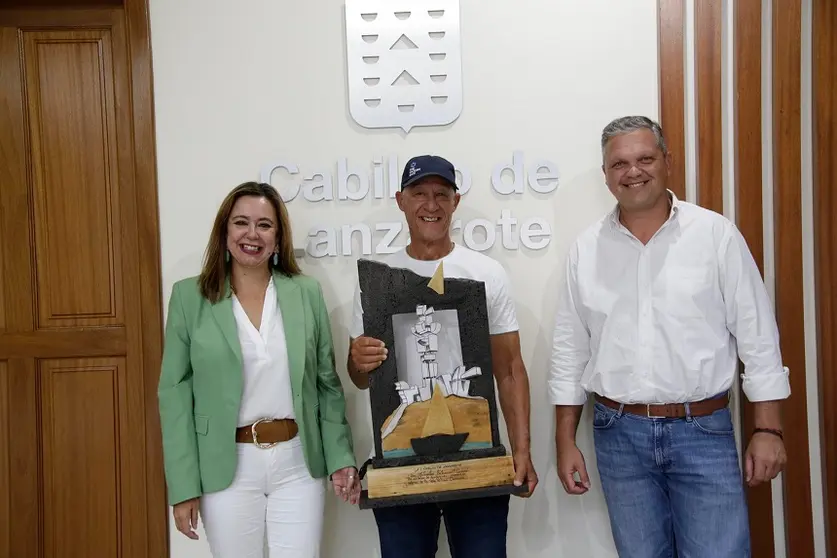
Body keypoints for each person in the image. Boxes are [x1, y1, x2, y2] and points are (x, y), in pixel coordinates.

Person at [549, 116, 789, 557]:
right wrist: (565, 441)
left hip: (703, 430)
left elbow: (758, 338)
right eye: (619, 163)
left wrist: (768, 428)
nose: (633, 171)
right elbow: (569, 352)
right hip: (618, 434)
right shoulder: (586, 249)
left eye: (645, 158)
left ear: (667, 162)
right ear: (606, 175)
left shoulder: (714, 236)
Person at [346, 155, 538, 558]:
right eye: (419, 194)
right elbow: (362, 378)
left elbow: (510, 370)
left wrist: (522, 451)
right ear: (400, 200)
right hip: (402, 470)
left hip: (477, 460)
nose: (430, 205)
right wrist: (357, 361)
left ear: (456, 201)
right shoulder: (375, 281)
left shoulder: (487, 272)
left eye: (441, 194)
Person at [158, 181, 359, 558]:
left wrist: (340, 458)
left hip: (297, 463)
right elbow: (174, 393)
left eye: (265, 225)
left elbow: (327, 385)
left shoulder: (306, 293)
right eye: (241, 223)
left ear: (279, 237)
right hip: (227, 465)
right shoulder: (190, 298)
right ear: (224, 232)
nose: (252, 234)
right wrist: (183, 486)